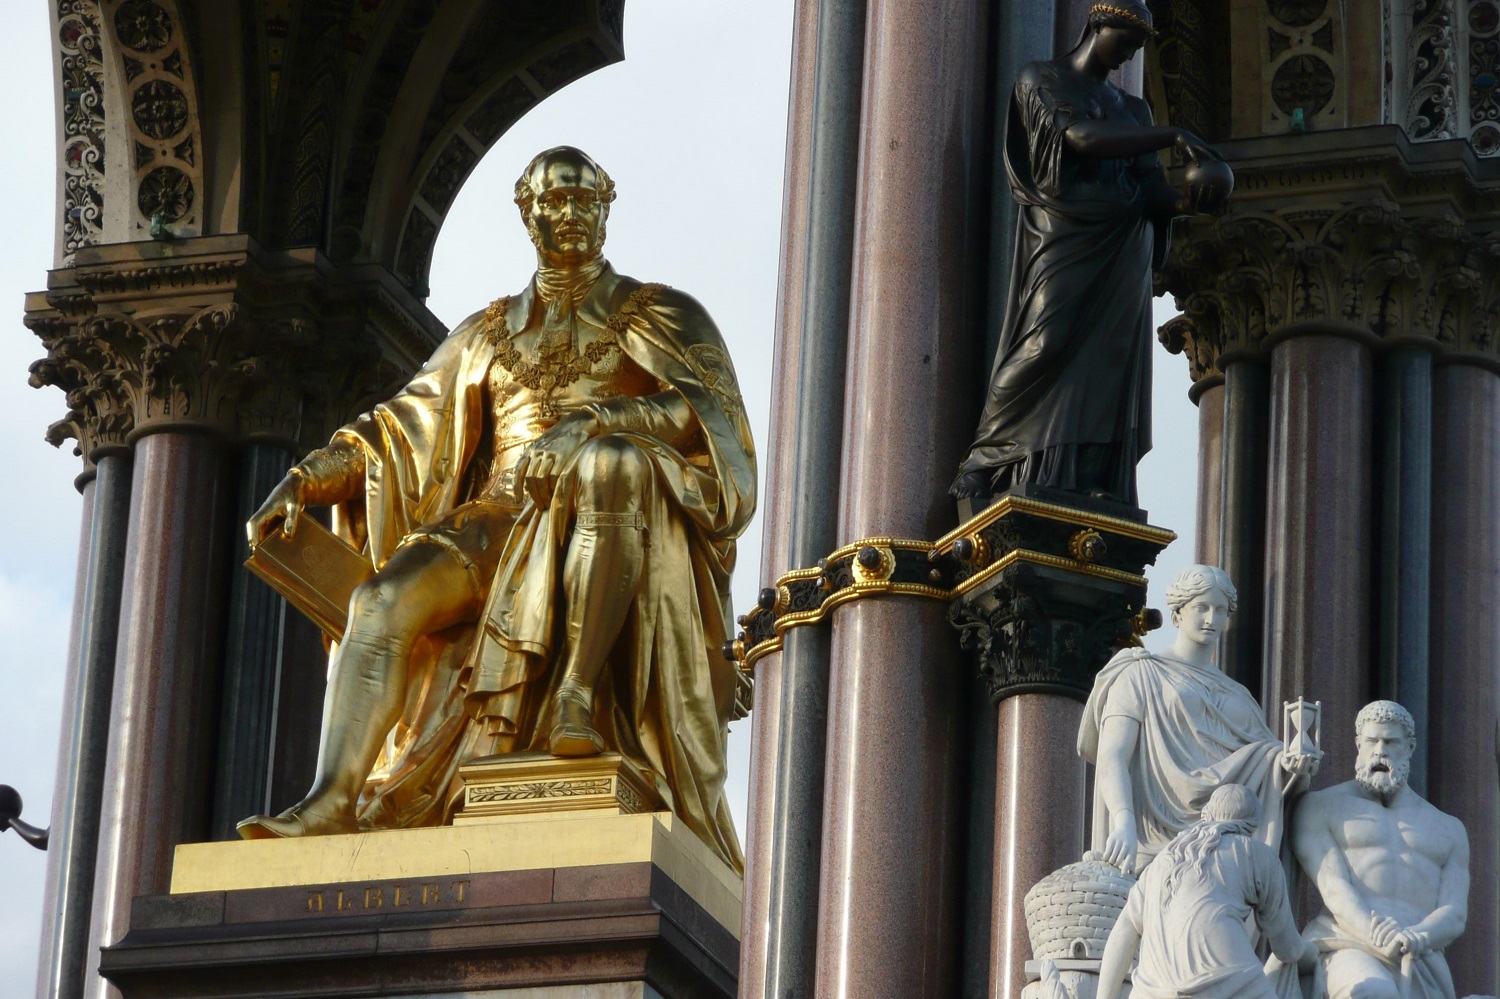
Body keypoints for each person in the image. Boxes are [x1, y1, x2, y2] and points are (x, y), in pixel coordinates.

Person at [236, 146, 757, 873]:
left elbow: (707, 415)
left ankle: (576, 694)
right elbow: (401, 423)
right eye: (555, 201)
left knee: (611, 469)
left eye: (584, 200)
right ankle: (334, 796)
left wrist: (598, 422)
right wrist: (308, 476)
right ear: (527, 212)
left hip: (600, 508)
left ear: (606, 208)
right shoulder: (487, 331)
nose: (570, 215)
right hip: (493, 518)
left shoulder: (661, 311)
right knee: (383, 601)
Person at [951, 0, 1229, 506]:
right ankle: (985, 457)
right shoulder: (1042, 78)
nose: (1126, 58)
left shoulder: (1134, 109)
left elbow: (1151, 190)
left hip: (1125, 246)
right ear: (1098, 25)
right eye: (1124, 43)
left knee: (1112, 361)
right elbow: (1080, 137)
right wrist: (1172, 134)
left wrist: (1198, 197)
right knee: (1044, 341)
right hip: (1065, 236)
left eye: (1136, 50)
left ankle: (1092, 475)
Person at [1078, 565, 1319, 873]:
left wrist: (1293, 766)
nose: (1211, 619)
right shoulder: (1139, 673)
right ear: (1177, 614)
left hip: (1222, 848)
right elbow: (1112, 754)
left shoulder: (1239, 696)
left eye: (1220, 610)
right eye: (1201, 608)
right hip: (1151, 839)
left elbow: (1267, 770)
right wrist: (1123, 820)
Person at [1275, 701, 1469, 999]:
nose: (1380, 751)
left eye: (1391, 742)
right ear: (1358, 744)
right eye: (1371, 741)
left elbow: (1454, 912)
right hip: (1349, 944)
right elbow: (1334, 888)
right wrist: (1374, 934)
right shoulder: (1321, 807)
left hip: (1420, 957)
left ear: (1410, 747)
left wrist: (1420, 936)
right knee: (1374, 993)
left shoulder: (1448, 827)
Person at [1097, 784, 1319, 999]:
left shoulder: (1160, 862)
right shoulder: (1255, 853)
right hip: (1227, 986)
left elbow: (1124, 930)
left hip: (1150, 992)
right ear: (1253, 824)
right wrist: (1314, 951)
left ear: (1207, 815)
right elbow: (1287, 949)